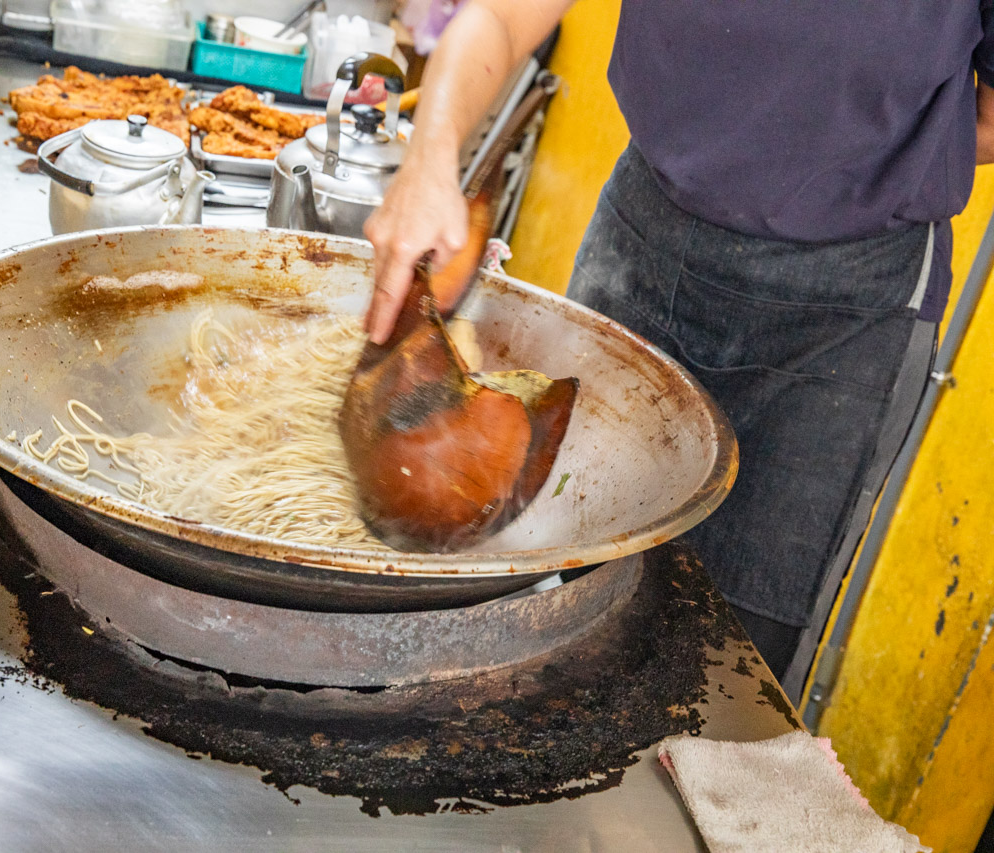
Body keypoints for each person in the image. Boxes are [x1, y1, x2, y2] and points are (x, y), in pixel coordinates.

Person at [362, 0, 994, 677]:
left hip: (845, 315)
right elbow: (503, 14)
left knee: (724, 653)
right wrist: (429, 160)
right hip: (649, 237)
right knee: (544, 578)